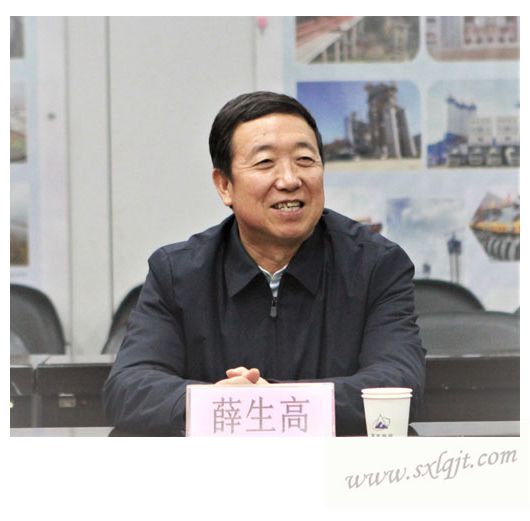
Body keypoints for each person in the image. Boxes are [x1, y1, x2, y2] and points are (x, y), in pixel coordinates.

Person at [103, 91, 426, 436]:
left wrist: (267, 403)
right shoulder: (177, 273)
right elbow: (129, 387)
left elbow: (397, 382)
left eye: (305, 160)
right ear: (224, 185)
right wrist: (215, 404)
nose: (289, 180)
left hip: (339, 466)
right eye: (265, 163)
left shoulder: (376, 265)